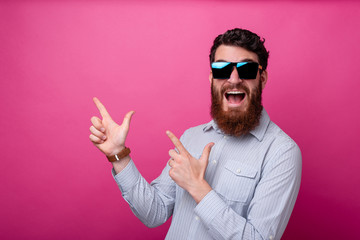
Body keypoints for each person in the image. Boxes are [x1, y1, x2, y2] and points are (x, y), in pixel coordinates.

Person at [89, 28, 302, 240]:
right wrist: (119, 155)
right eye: (222, 69)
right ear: (211, 78)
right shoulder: (191, 137)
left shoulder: (282, 152)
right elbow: (154, 212)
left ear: (262, 78)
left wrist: (198, 188)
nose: (234, 79)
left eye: (246, 69)